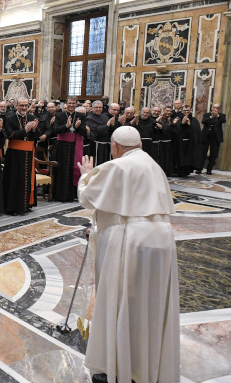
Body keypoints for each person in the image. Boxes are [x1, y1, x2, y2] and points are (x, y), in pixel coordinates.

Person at [76, 125, 179, 383]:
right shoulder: (154, 166)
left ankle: (120, 366)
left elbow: (88, 197)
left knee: (122, 301)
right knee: (150, 304)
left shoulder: (119, 166)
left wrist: (86, 174)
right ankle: (146, 366)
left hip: (132, 240)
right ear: (140, 145)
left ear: (115, 147)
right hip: (162, 242)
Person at [2, 97, 39, 213]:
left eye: (26, 105)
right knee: (14, 179)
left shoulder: (32, 118)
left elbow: (38, 135)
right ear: (16, 105)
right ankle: (12, 207)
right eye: (21, 105)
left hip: (28, 152)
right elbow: (9, 135)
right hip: (14, 153)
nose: (24, 108)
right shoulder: (9, 118)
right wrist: (25, 129)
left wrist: (33, 130)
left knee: (27, 179)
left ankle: (26, 204)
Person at [51, 96, 87, 202]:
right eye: (69, 103)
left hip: (74, 147)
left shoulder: (80, 115)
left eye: (73, 103)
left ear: (76, 104)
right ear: (65, 104)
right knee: (62, 169)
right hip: (61, 147)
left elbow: (84, 132)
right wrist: (66, 126)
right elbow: (55, 130)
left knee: (73, 169)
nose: (71, 105)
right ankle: (60, 195)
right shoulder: (59, 115)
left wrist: (77, 127)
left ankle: (71, 195)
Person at [174, 105, 202, 177]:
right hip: (180, 143)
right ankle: (180, 171)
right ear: (182, 111)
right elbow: (175, 130)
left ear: (190, 111)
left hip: (190, 143)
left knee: (188, 158)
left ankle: (186, 171)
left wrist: (190, 125)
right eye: (184, 111)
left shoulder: (194, 120)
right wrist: (182, 123)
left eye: (188, 110)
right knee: (180, 158)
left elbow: (197, 131)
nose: (186, 112)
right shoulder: (178, 119)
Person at [201, 103, 225, 175]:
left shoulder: (222, 116)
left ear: (219, 109)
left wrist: (217, 116)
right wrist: (211, 117)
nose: (215, 109)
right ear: (211, 108)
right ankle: (199, 168)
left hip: (215, 137)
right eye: (214, 107)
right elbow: (203, 121)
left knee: (213, 154)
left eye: (217, 108)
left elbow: (223, 120)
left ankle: (209, 169)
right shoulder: (207, 115)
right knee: (202, 153)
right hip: (206, 136)